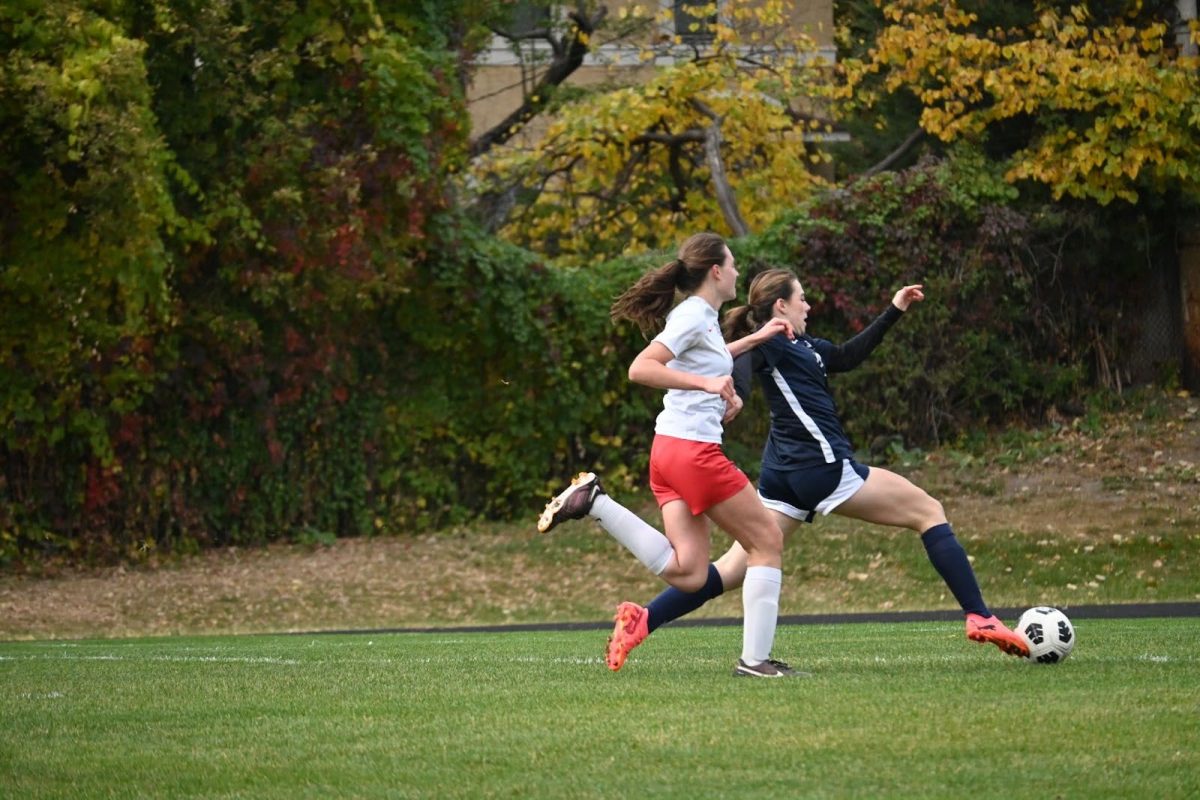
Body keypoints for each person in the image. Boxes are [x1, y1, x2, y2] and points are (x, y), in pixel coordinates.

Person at [602, 268, 1031, 671]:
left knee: (733, 569)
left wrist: (895, 310)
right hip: (819, 467)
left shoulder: (806, 346)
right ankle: (979, 615)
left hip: (784, 475)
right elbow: (732, 367)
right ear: (781, 306)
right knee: (928, 511)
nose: (809, 306)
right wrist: (735, 398)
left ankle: (644, 619)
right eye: (802, 299)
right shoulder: (767, 343)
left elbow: (846, 356)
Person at [537, 233, 803, 678]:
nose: (738, 272)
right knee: (767, 542)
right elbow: (641, 367)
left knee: (690, 574)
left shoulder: (703, 318)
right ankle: (756, 662)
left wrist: (753, 342)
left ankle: (596, 503)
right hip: (694, 454)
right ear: (716, 271)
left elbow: (709, 362)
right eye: (733, 265)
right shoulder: (695, 315)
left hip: (669, 453)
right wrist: (709, 386)